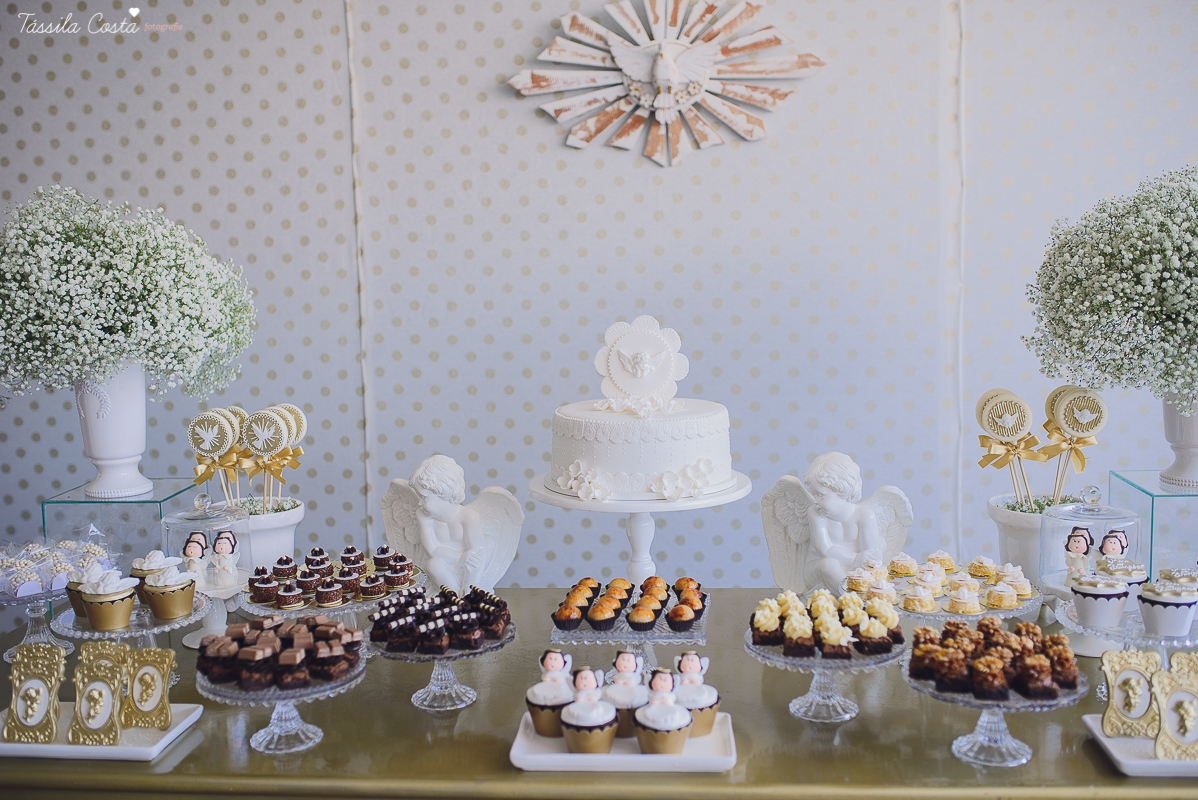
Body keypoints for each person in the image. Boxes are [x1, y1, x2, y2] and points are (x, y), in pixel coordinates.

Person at [802, 453, 884, 590]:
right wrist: (856, 558)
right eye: (813, 494)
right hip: (818, 569)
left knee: (881, 543)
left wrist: (867, 558)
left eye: (820, 495)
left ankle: (864, 592)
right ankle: (849, 596)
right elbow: (825, 549)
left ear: (842, 490)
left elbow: (874, 553)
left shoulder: (864, 515)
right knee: (829, 564)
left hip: (855, 570)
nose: (815, 500)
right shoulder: (815, 513)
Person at [410, 455, 489, 593]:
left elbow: (476, 554)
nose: (418, 503)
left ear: (442, 491)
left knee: (488, 543)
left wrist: (470, 581)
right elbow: (433, 551)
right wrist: (460, 557)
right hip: (445, 570)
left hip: (470, 569)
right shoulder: (423, 516)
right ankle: (454, 595)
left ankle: (470, 589)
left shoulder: (468, 516)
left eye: (423, 497)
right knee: (432, 564)